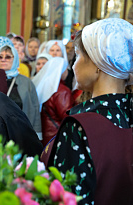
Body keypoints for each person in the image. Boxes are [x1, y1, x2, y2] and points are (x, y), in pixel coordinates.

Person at [44, 18, 133, 204]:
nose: (73, 65)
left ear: (97, 64)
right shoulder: (127, 113)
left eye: (77, 56)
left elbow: (69, 197)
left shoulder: (81, 126)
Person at [0, 36, 42, 139]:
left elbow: (35, 108)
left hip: (21, 133)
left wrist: (37, 134)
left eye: (8, 57)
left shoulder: (26, 82)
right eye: (0, 57)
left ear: (15, 58)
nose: (3, 60)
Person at [32, 57, 74, 146]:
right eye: (65, 69)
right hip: (57, 136)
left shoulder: (43, 85)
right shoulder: (61, 91)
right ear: (61, 70)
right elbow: (67, 116)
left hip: (44, 135)